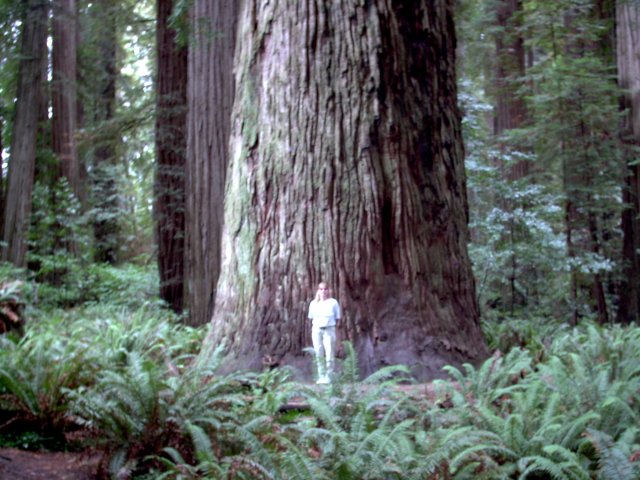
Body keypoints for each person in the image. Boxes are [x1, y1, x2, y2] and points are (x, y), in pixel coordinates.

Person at [307, 282, 341, 384]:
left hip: (329, 329)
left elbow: (337, 317)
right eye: (321, 289)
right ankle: (321, 375)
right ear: (318, 291)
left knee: (329, 351)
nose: (323, 291)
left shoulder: (333, 303)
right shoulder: (313, 304)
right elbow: (311, 317)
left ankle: (329, 376)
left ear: (328, 290)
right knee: (318, 352)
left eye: (325, 289)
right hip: (317, 330)